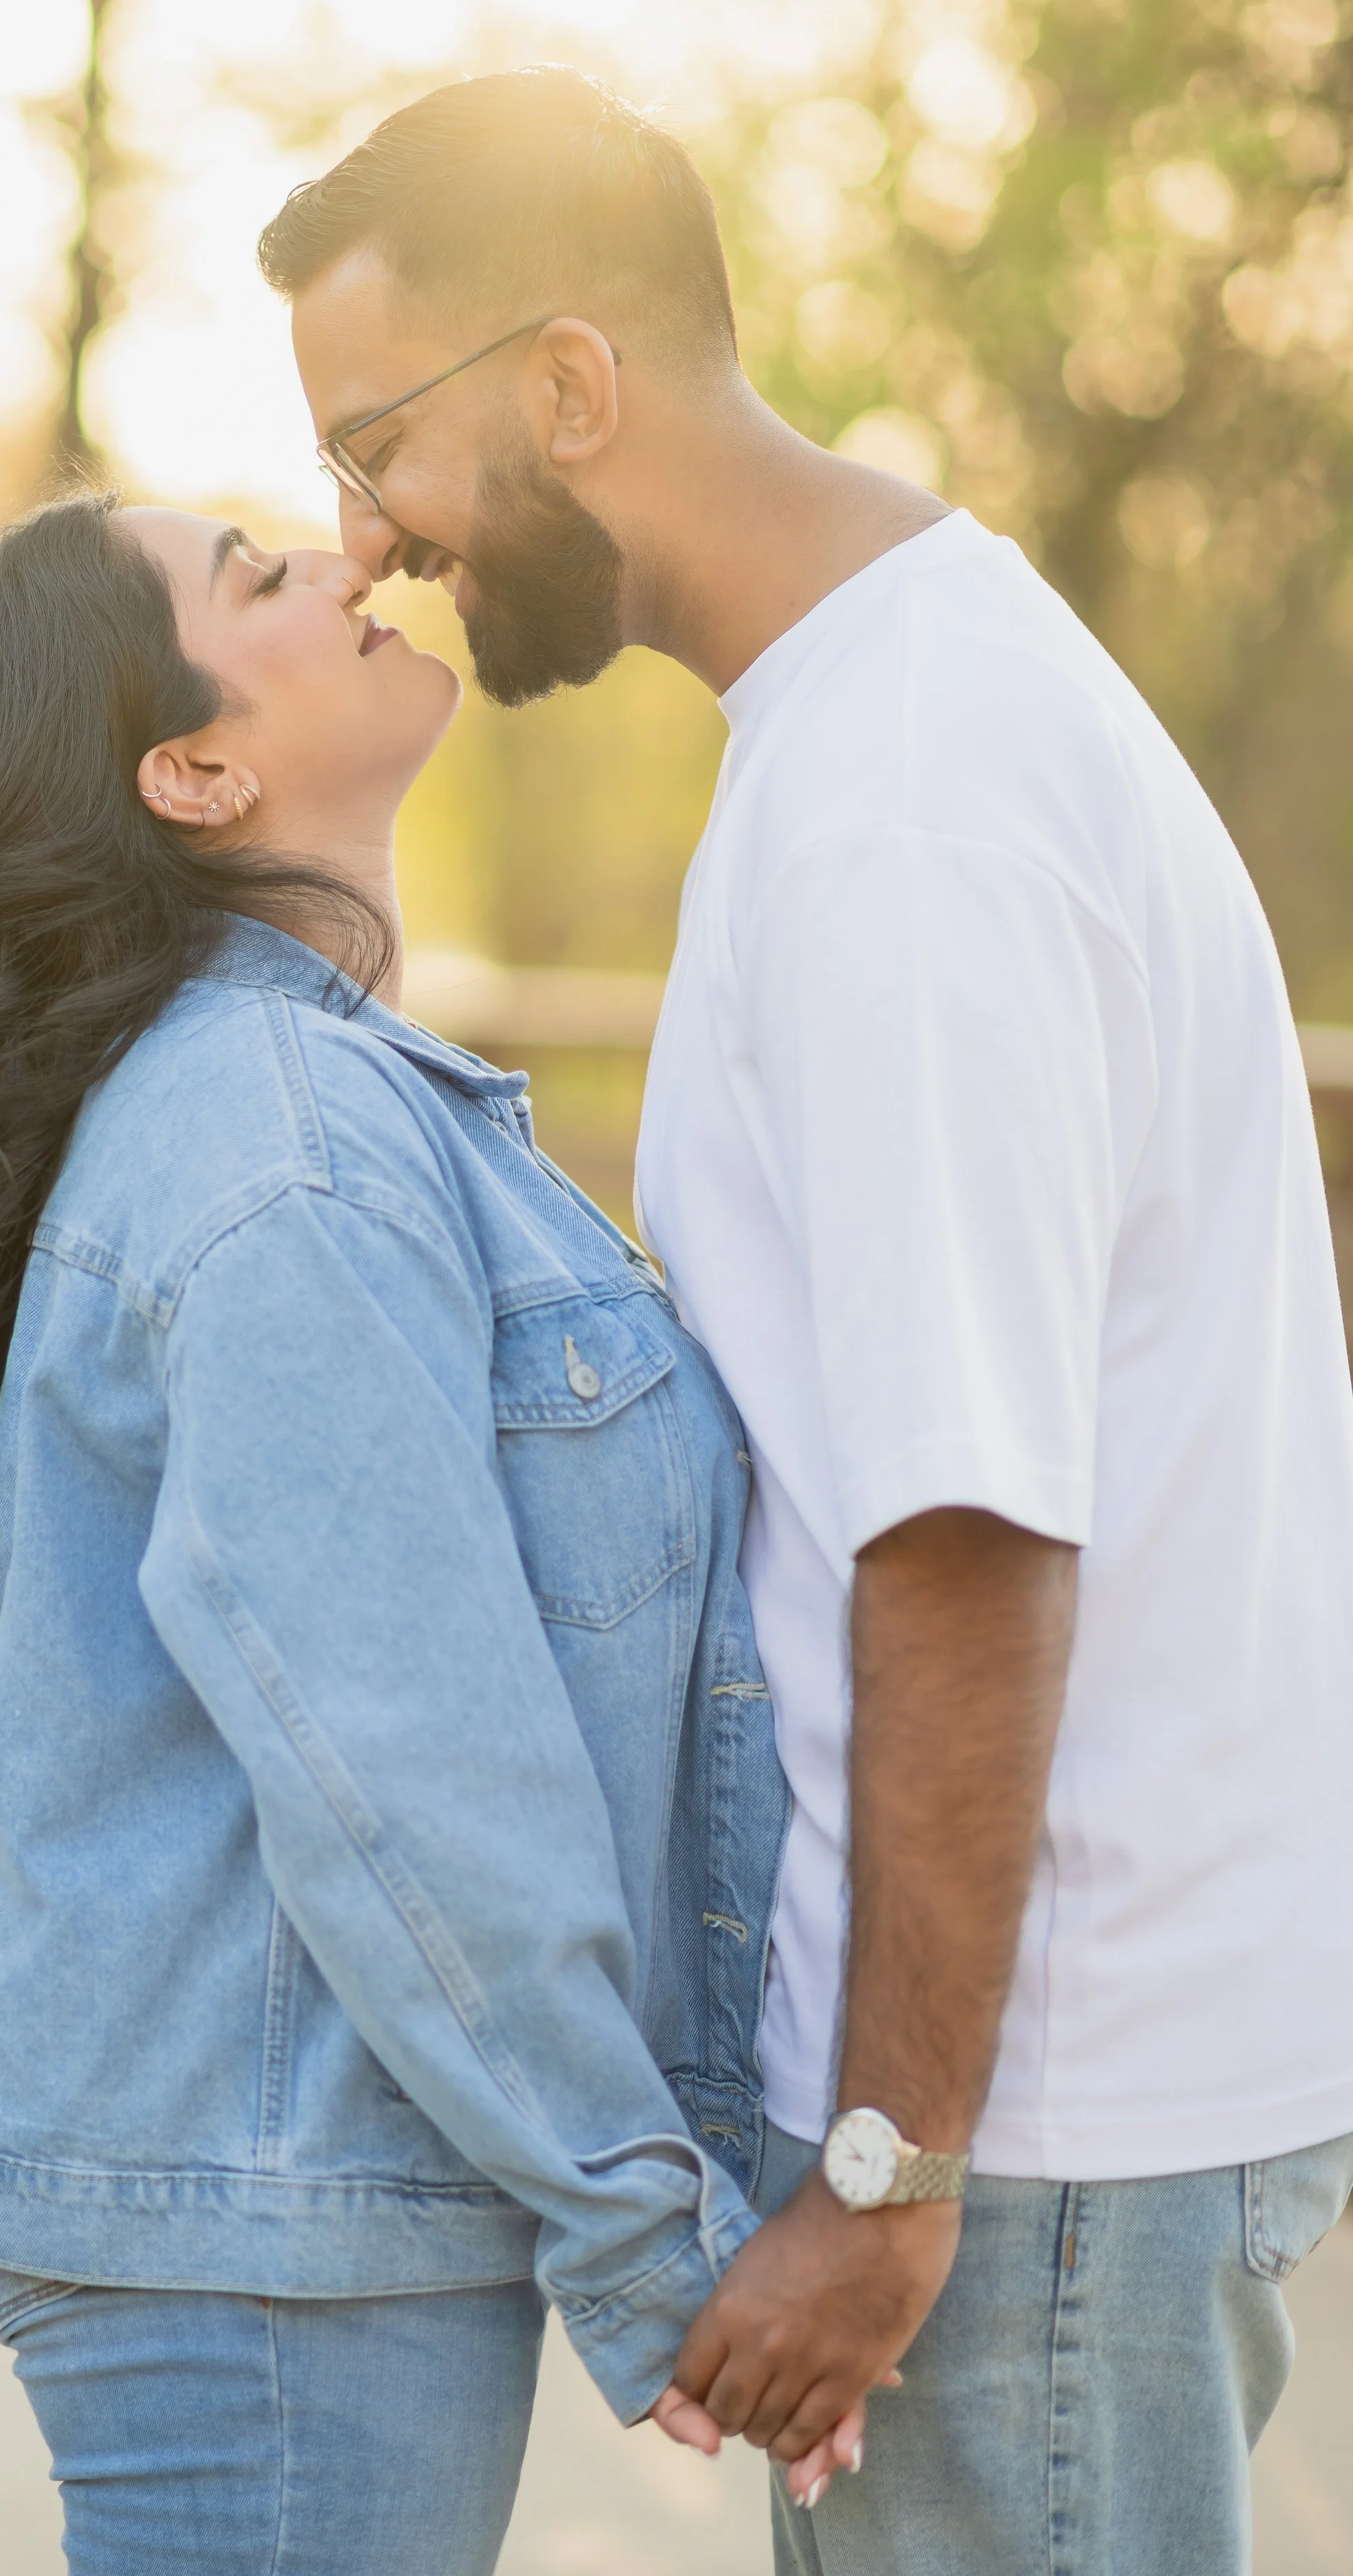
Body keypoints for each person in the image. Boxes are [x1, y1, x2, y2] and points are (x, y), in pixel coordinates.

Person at [264, 65, 1353, 2573]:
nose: (364, 544)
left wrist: (883, 2166)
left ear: (563, 389)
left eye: (375, 447)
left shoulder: (901, 805)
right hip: (1053, 2116)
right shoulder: (895, 703)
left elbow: (967, 1529)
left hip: (1033, 2137)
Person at [0, 488, 869, 2575]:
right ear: (192, 771)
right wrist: (649, 2235)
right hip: (262, 2217)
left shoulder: (292, 1099)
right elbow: (405, 1753)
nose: (351, 566)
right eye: (258, 578)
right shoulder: (281, 1146)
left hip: (260, 2189)